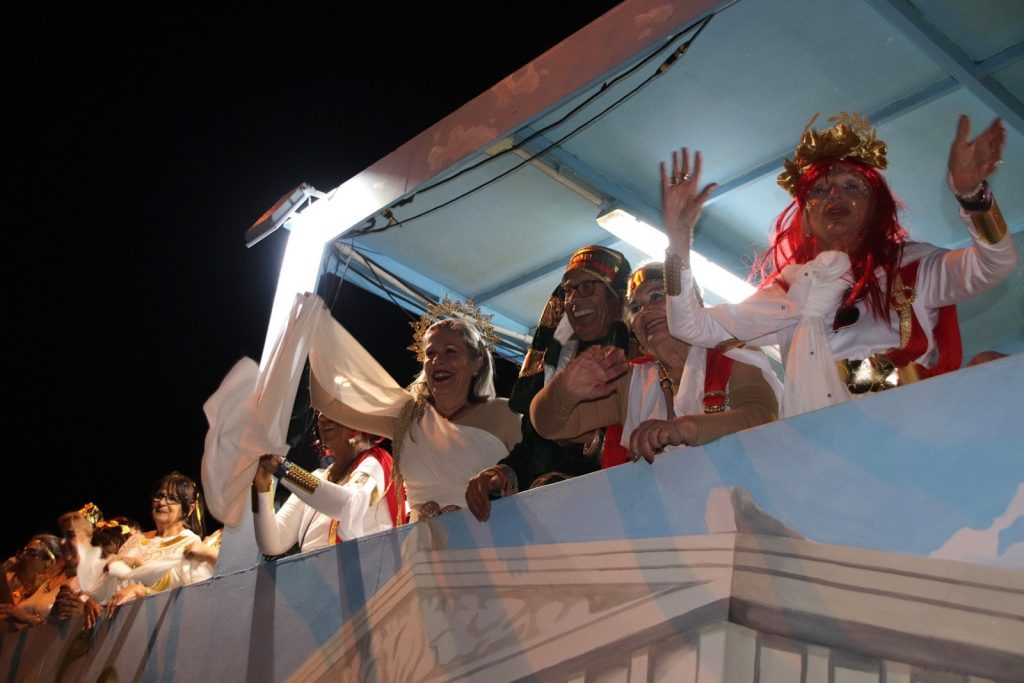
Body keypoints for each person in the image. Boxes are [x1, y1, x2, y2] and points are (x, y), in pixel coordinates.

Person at [659, 114, 1018, 417]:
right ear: (805, 220)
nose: (835, 195)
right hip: (824, 440)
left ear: (876, 208)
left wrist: (973, 197)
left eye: (852, 187)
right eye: (819, 191)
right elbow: (691, 326)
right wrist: (678, 241)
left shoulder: (913, 264)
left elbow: (994, 264)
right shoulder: (786, 291)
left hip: (913, 421)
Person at [531, 262, 780, 461]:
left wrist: (684, 429)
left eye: (657, 296)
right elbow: (550, 427)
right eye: (635, 308)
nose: (644, 311)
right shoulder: (630, 380)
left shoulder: (733, 352)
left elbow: (760, 416)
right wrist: (564, 390)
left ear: (694, 304)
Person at [308, 295, 521, 522]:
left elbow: (534, 475)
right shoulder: (406, 418)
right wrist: (315, 334)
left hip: (492, 540)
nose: (437, 360)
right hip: (419, 543)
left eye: (450, 351)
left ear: (476, 363)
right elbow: (327, 403)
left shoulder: (503, 414)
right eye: (430, 354)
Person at [465, 245, 633, 522]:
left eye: (587, 287)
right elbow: (531, 453)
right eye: (568, 290)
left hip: (620, 515)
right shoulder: (555, 366)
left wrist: (593, 442)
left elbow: (653, 450)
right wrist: (500, 474)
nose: (574, 299)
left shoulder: (643, 361)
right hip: (553, 521)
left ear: (618, 296)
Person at [253, 413, 403, 556]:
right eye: (320, 410)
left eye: (334, 409)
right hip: (313, 573)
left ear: (359, 418)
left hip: (361, 573)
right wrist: (262, 487)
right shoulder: (318, 477)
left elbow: (349, 506)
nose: (322, 416)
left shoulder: (377, 462)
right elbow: (274, 543)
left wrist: (284, 469)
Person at [82, 473, 218, 606]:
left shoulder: (189, 544)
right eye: (159, 496)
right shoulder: (136, 539)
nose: (162, 502)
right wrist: (97, 599)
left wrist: (142, 591)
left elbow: (182, 594)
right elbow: (112, 581)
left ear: (189, 509)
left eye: (172, 498)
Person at [0, 535, 65, 631]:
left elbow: (52, 627)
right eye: (24, 551)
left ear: (49, 563)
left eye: (31, 553)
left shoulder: (52, 593)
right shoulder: (14, 583)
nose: (21, 557)